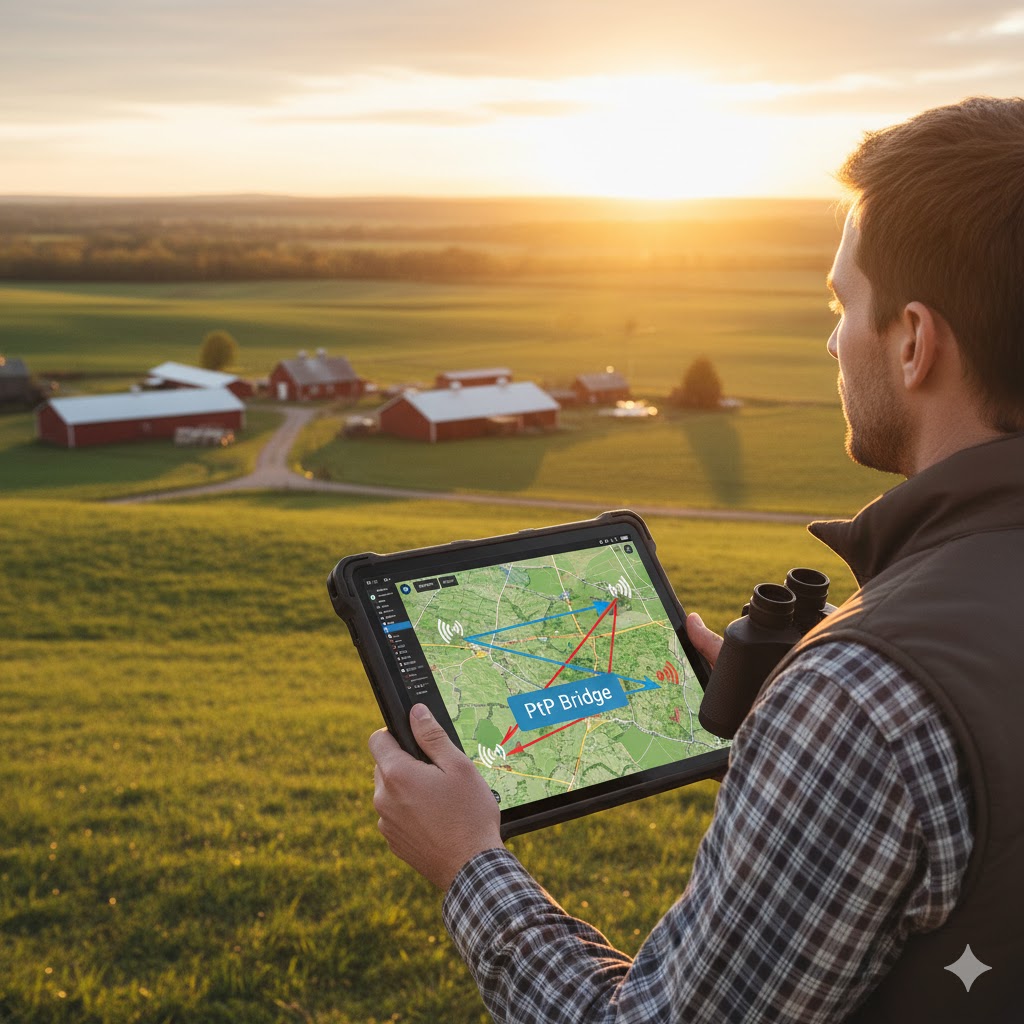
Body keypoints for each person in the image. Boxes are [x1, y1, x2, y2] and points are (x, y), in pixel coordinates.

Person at [369, 96, 1024, 1022]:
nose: (833, 338)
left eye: (844, 304)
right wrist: (786, 741)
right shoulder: (866, 699)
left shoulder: (866, 699)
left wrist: (467, 863)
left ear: (915, 340)